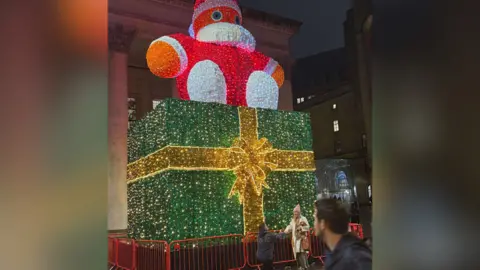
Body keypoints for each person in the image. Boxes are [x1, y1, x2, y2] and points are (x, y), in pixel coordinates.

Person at [313, 198, 372, 270]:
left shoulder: (354, 256)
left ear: (322, 223)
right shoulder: (332, 252)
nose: (314, 223)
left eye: (315, 218)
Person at [283, 204, 309, 270]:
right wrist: (286, 230)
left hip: (301, 239)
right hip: (295, 240)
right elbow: (290, 226)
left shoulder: (303, 218)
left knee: (302, 254)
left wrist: (301, 228)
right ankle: (300, 267)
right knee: (297, 254)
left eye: (296, 212)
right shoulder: (293, 220)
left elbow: (307, 227)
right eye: (294, 212)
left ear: (299, 212)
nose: (295, 214)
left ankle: (305, 267)